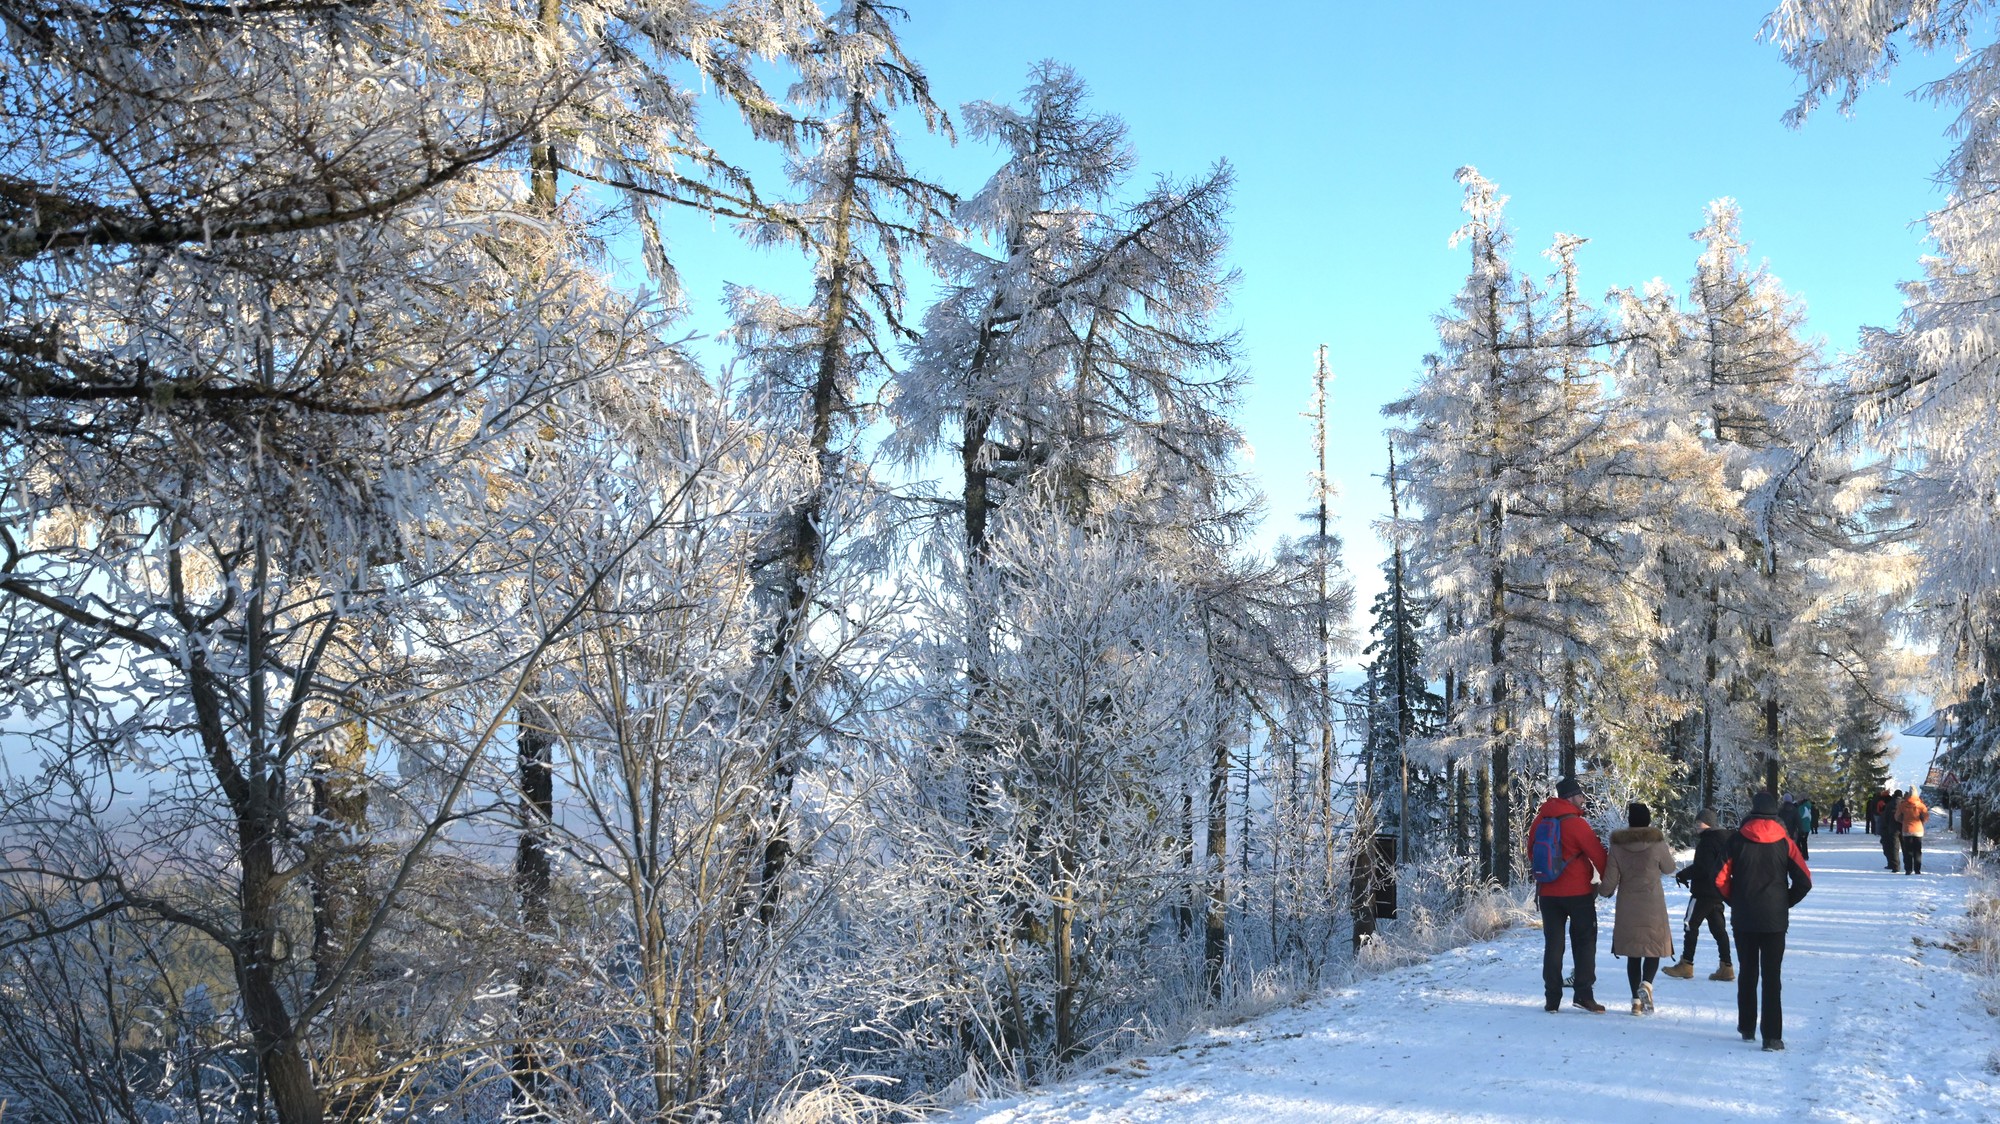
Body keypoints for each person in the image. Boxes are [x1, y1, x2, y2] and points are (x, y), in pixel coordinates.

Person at [1717, 791, 1812, 1052]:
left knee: (1747, 972)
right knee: (1772, 977)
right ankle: (1772, 1037)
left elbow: (1720, 879)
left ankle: (1747, 1027)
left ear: (1752, 811)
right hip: (1775, 919)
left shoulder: (1736, 841)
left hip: (1744, 917)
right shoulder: (1785, 842)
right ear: (1776, 814)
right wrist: (1785, 902)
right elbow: (1805, 881)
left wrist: (1735, 901)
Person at [1532, 777, 1609, 1013]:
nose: (1583, 800)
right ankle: (1584, 996)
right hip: (1578, 894)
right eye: (1580, 796)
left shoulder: (1540, 820)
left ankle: (1552, 999)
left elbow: (1531, 853)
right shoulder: (1577, 824)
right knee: (1584, 943)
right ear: (1570, 798)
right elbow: (1598, 856)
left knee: (1553, 945)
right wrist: (1610, 882)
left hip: (1547, 893)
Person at [1597, 801, 1677, 1015]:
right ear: (1648, 820)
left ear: (1630, 821)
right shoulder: (1657, 842)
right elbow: (1670, 868)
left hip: (1627, 905)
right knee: (1653, 948)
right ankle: (1647, 985)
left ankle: (1636, 1003)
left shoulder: (1618, 846)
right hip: (1653, 904)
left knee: (1634, 954)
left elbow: (1610, 882)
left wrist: (1601, 890)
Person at [1665, 807, 1734, 982]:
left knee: (1690, 923)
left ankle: (1686, 964)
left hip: (1703, 891)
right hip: (1718, 890)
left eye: (1699, 823)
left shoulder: (1707, 841)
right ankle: (1727, 966)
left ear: (1708, 824)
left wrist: (1683, 874)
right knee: (1718, 928)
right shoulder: (1724, 839)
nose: (1696, 826)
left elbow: (1703, 868)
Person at [1899, 788, 1930, 874]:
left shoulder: (1902, 805)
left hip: (1906, 830)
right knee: (1917, 850)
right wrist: (1921, 821)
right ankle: (1917, 869)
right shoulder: (1921, 805)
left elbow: (1897, 817)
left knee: (1908, 850)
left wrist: (1903, 821)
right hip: (1918, 831)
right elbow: (1926, 817)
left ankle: (1908, 869)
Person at [1881, 790, 1905, 871]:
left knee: (1894, 848)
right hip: (1904, 828)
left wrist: (1886, 827)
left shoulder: (1889, 804)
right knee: (1905, 847)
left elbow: (1885, 818)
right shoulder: (1904, 804)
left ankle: (1895, 866)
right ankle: (1908, 865)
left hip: (1892, 828)